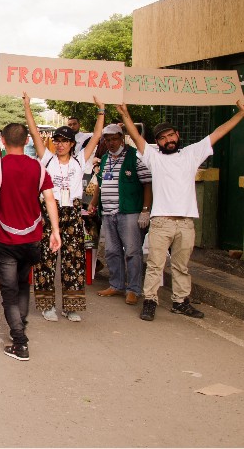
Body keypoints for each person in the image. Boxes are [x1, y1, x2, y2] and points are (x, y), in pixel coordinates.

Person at [116, 101, 244, 321]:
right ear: (157, 142)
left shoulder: (192, 154)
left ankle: (180, 302)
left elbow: (219, 132)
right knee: (156, 265)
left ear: (177, 135)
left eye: (171, 136)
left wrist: (241, 113)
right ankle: (150, 302)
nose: (168, 140)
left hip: (185, 222)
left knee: (182, 266)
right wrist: (125, 114)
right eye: (163, 138)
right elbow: (137, 138)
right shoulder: (153, 158)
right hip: (161, 222)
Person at [0, 122, 61, 361]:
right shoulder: (39, 168)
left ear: (2, 140)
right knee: (23, 283)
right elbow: (50, 200)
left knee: (9, 291)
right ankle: (20, 323)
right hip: (32, 237)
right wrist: (55, 230)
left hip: (6, 239)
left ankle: (20, 342)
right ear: (26, 141)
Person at [25, 93, 104, 322]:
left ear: (72, 144)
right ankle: (47, 305)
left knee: (74, 259)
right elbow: (34, 133)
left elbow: (97, 135)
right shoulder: (47, 159)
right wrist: (27, 106)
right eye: (57, 140)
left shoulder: (80, 160)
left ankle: (71, 306)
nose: (60, 144)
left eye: (64, 141)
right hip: (50, 213)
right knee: (46, 260)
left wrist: (101, 110)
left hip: (72, 213)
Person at [88, 123, 152, 305]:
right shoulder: (106, 158)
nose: (111, 143)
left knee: (132, 251)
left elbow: (147, 183)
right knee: (112, 251)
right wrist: (93, 203)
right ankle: (116, 285)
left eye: (114, 139)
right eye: (107, 140)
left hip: (129, 212)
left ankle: (133, 289)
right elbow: (100, 184)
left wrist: (145, 210)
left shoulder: (134, 157)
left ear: (121, 138)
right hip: (108, 213)